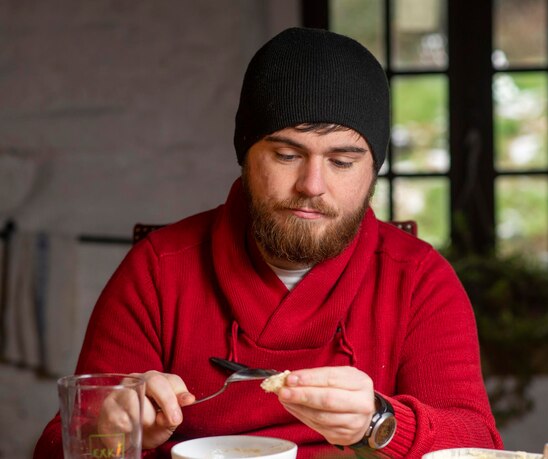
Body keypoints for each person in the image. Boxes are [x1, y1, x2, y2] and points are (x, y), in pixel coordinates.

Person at [34, 27, 502, 458]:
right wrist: (113, 432)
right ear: (245, 154)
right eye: (286, 154)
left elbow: (479, 444)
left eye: (342, 161)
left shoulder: (418, 277)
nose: (312, 184)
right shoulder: (158, 269)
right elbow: (59, 443)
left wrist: (381, 421)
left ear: (372, 170)